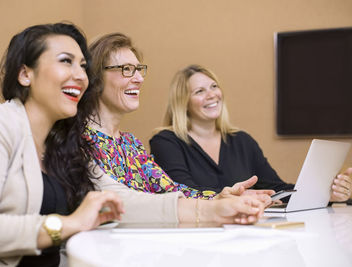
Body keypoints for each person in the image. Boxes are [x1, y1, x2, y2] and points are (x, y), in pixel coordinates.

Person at [0, 23, 124, 267]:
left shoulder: (63, 145)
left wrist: (196, 210)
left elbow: (116, 197)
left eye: (83, 66)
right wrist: (68, 224)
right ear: (25, 74)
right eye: (66, 61)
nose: (80, 76)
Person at [82, 32, 267, 227]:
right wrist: (212, 207)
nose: (139, 79)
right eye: (127, 69)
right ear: (95, 78)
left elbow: (169, 189)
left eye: (139, 70)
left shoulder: (130, 143)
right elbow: (120, 202)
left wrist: (219, 197)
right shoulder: (78, 140)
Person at [149, 64, 352, 202]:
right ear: (182, 103)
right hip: (197, 238)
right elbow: (184, 194)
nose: (212, 95)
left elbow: (276, 189)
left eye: (214, 87)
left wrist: (326, 194)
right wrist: (238, 198)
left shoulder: (242, 141)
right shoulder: (166, 142)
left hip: (244, 233)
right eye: (199, 91)